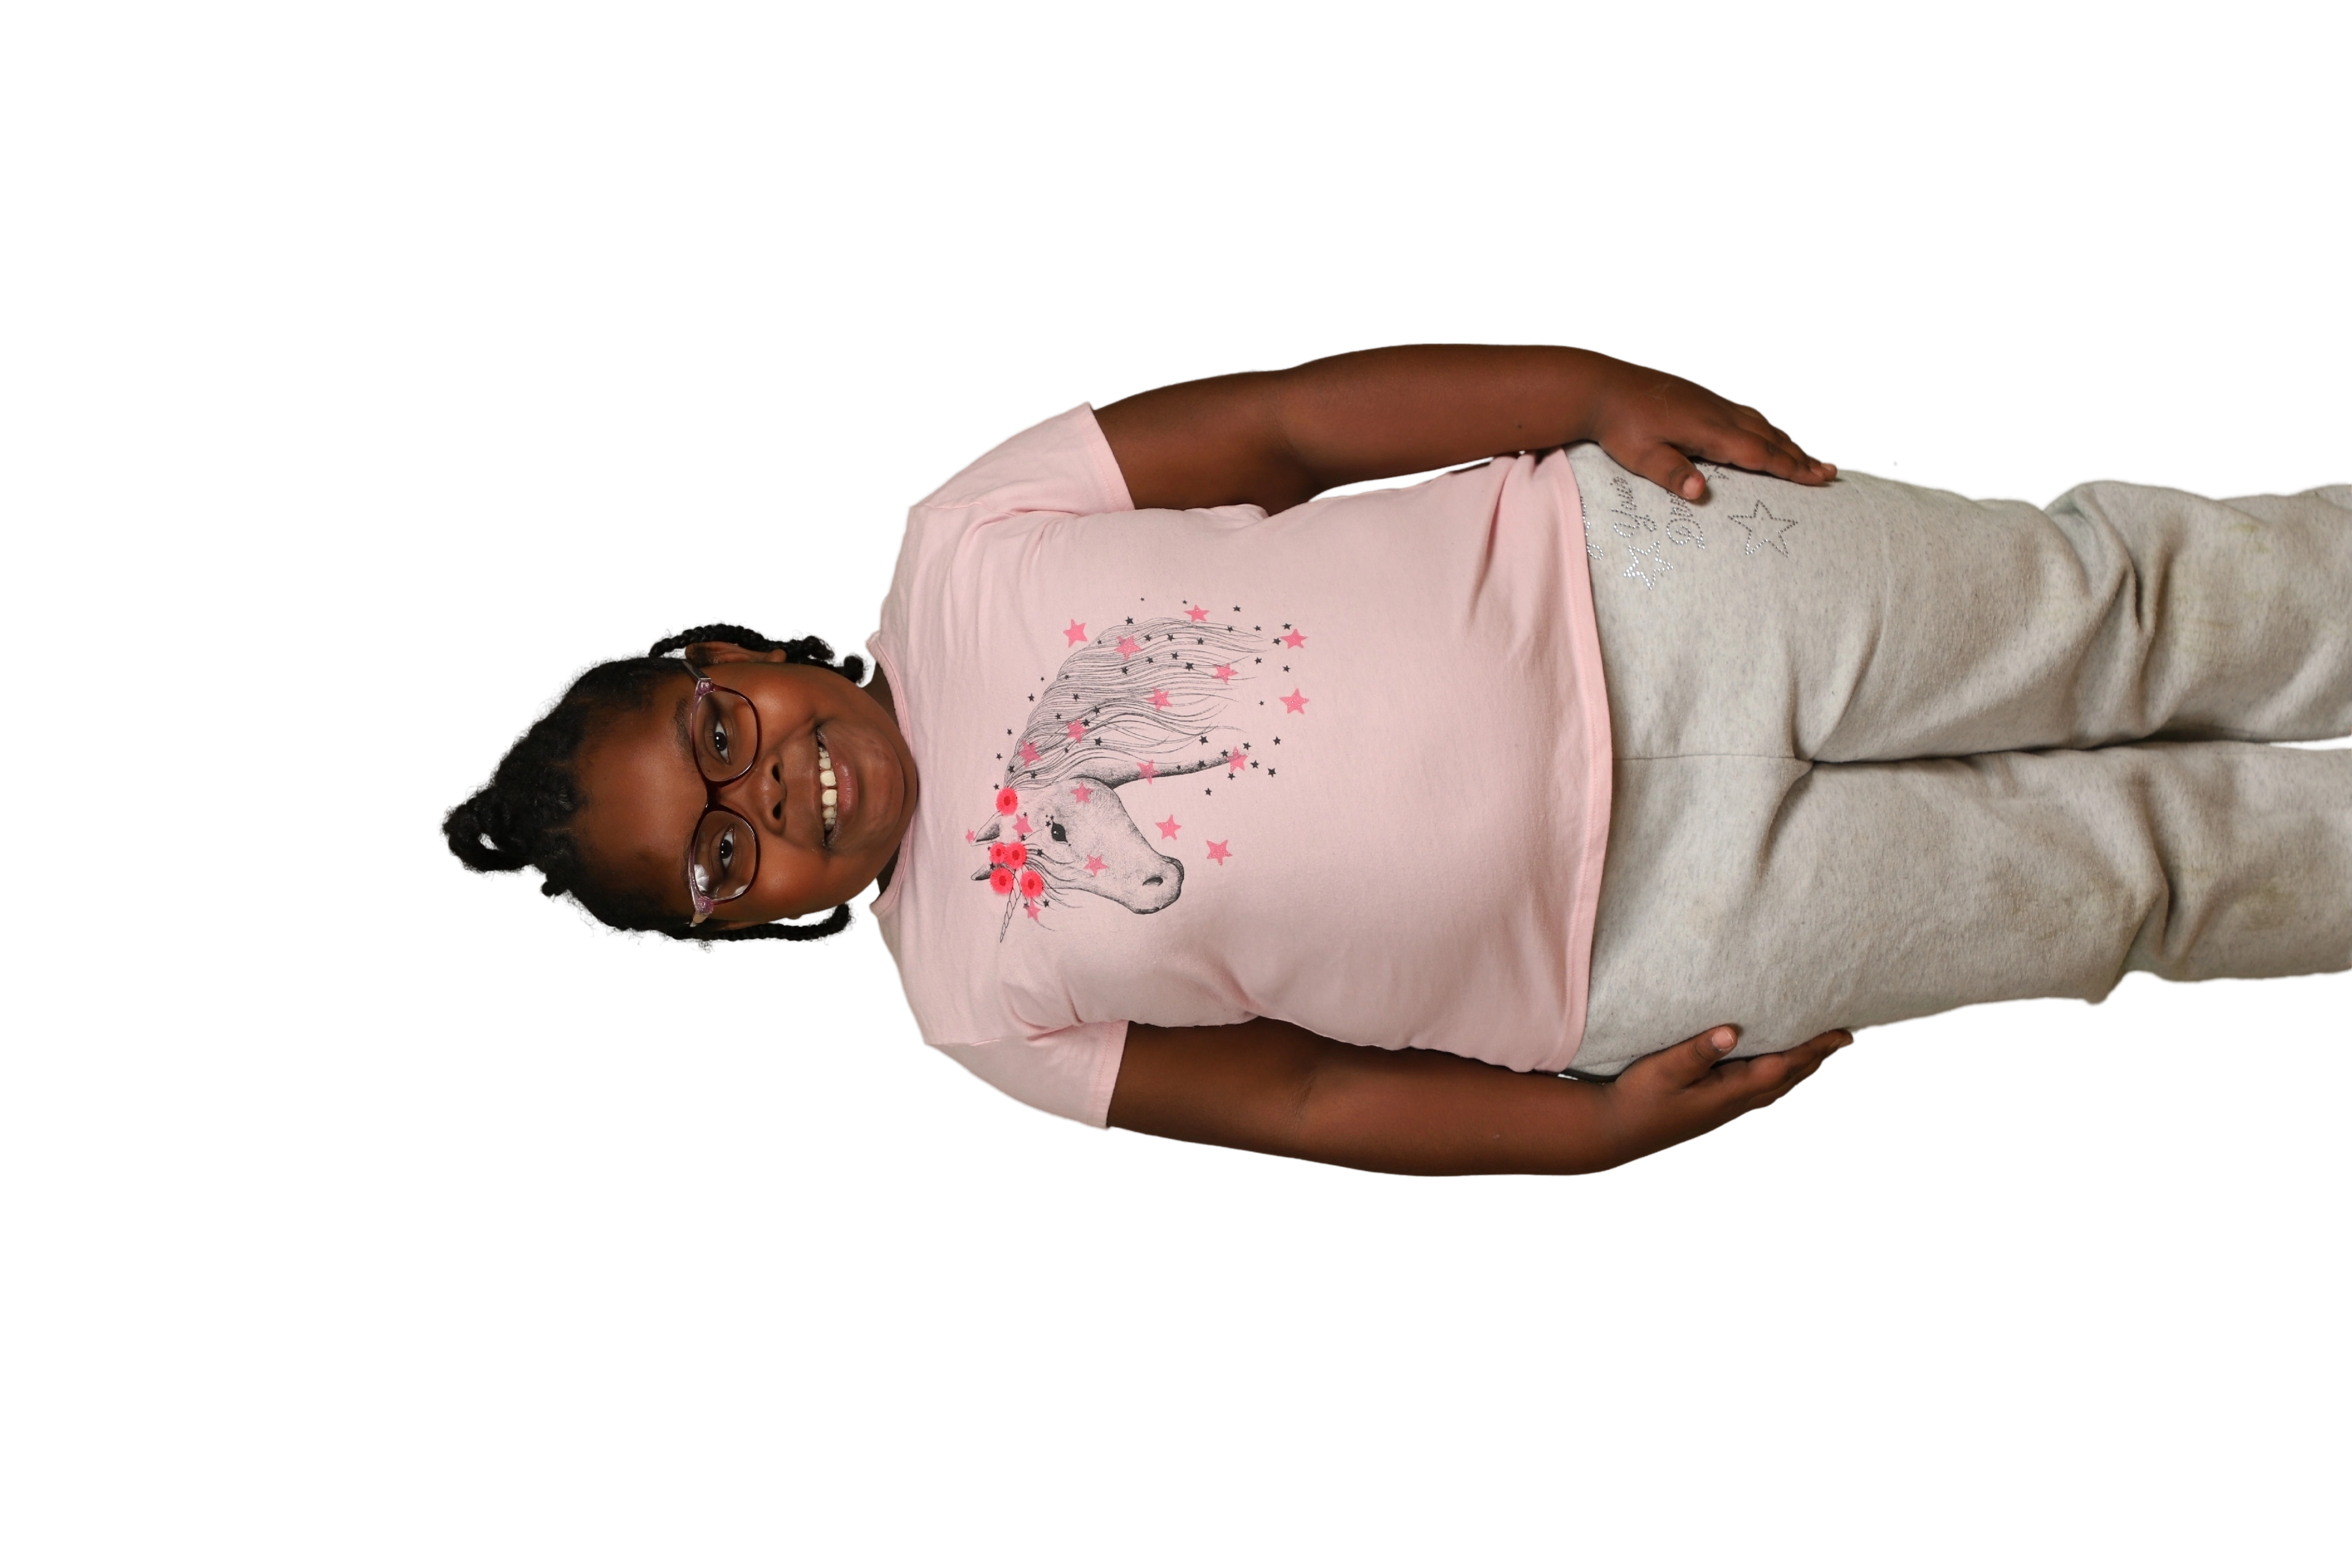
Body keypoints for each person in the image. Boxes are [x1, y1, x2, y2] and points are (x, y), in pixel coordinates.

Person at [438, 340, 2352, 1177]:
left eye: (718, 737)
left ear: (731, 656)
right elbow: (1304, 1099)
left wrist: (1583, 392)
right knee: (2122, 890)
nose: (767, 796)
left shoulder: (963, 541)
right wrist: (1583, 1130)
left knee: (2111, 608)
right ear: (750, 927)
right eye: (719, 857)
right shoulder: (976, 1008)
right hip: (1653, 947)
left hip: (1657, 593)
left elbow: (1287, 428)